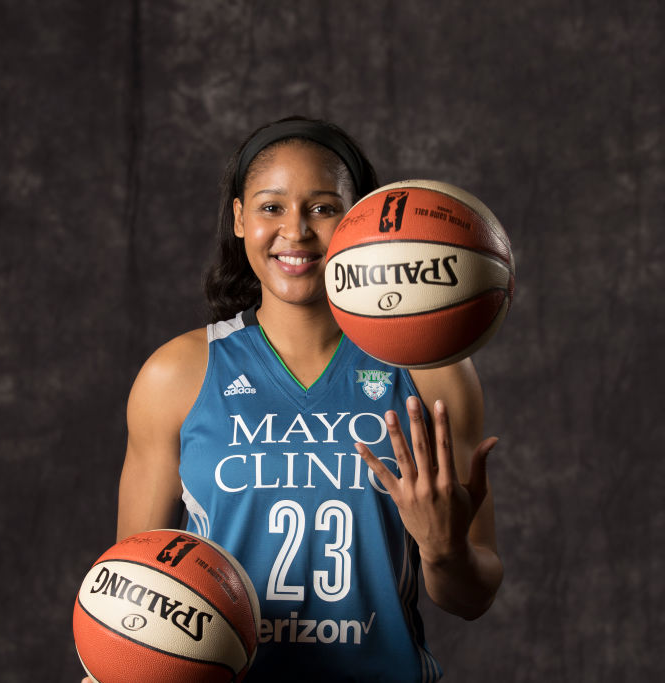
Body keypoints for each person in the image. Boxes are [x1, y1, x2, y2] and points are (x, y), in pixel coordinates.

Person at [84, 116, 502, 682]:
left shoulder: (431, 373)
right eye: (271, 207)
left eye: (324, 208)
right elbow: (136, 594)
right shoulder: (176, 375)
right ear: (238, 218)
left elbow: (471, 597)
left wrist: (444, 551)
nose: (297, 231)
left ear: (357, 222)